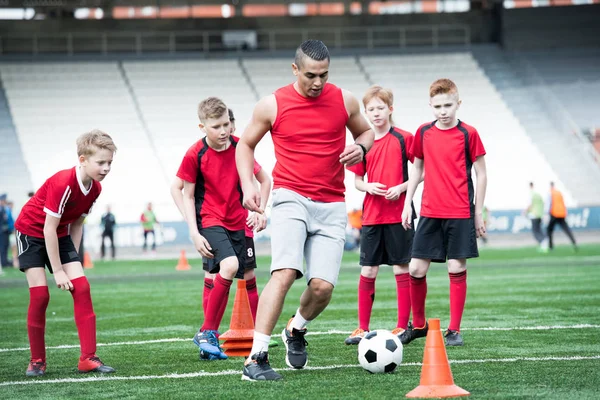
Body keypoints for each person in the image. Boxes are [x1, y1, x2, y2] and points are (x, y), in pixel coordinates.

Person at [236, 40, 374, 381]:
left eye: (324, 75)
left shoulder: (345, 99)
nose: (317, 82)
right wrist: (248, 184)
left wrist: (360, 147)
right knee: (284, 272)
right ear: (295, 69)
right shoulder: (272, 104)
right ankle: (256, 358)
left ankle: (296, 330)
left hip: (332, 203)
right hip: (289, 197)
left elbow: (367, 131)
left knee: (323, 288)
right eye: (311, 75)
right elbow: (245, 145)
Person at [13, 130, 117, 377]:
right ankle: (37, 360)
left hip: (58, 235)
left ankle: (88, 358)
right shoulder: (63, 183)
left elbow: (77, 225)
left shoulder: (95, 189)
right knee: (40, 297)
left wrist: (74, 261)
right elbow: (48, 228)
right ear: (82, 159)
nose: (106, 168)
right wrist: (58, 271)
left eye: (110, 162)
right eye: (100, 162)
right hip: (31, 233)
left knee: (82, 288)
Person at [178, 97, 266, 361]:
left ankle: (211, 335)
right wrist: (194, 232)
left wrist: (261, 212)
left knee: (239, 274)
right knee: (228, 266)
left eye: (226, 124)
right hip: (210, 220)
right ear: (202, 127)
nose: (224, 131)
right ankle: (207, 332)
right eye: (216, 126)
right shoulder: (195, 154)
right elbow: (187, 194)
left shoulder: (241, 147)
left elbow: (265, 179)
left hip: (238, 221)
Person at [401, 78, 487, 347]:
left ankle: (454, 329)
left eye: (448, 105)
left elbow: (481, 174)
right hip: (429, 212)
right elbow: (416, 169)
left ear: (458, 103)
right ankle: (419, 325)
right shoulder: (423, 132)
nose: (443, 111)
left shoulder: (468, 133)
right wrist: (407, 202)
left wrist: (478, 212)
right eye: (437, 106)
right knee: (415, 268)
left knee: (456, 266)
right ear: (430, 105)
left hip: (460, 211)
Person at [344, 86, 416, 346]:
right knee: (369, 269)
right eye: (370, 109)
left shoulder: (404, 138)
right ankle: (362, 328)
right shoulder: (362, 143)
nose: (375, 114)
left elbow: (422, 171)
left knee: (401, 267)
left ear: (390, 109)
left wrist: (402, 188)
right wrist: (369, 187)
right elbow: (357, 182)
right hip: (372, 216)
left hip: (400, 215)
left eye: (380, 108)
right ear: (365, 112)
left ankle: (402, 326)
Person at [546, 182, 577, 251]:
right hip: (562, 213)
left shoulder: (550, 193)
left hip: (554, 213)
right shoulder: (559, 193)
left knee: (549, 230)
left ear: (550, 186)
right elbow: (562, 203)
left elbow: (548, 204)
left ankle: (550, 246)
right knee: (566, 229)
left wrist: (547, 214)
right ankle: (574, 242)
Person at [525, 182, 547, 251]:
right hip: (540, 214)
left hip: (534, 214)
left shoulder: (531, 194)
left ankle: (543, 243)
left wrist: (525, 211)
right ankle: (544, 242)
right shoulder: (538, 194)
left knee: (535, 231)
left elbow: (530, 205)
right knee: (539, 229)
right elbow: (543, 203)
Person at [0, 193, 12, 267]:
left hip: (5, 232)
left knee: (5, 246)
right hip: (2, 232)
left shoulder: (4, 209)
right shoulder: (1, 209)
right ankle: (4, 262)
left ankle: (5, 261)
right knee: (3, 247)